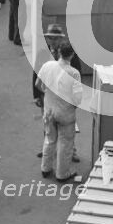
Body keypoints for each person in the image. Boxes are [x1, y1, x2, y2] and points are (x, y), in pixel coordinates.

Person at [36, 42, 82, 181]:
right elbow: (78, 98)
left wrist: (49, 95)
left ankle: (45, 168)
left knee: (49, 139)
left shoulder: (47, 66)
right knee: (65, 143)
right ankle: (62, 174)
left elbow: (38, 84)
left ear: (59, 52)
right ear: (72, 55)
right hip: (65, 113)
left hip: (49, 110)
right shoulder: (74, 73)